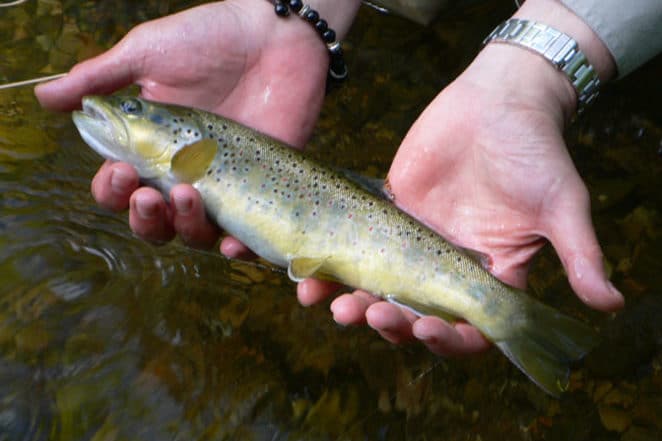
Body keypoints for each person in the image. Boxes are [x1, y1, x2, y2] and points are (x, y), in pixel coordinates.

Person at [36, 0, 661, 356]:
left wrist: (545, 72)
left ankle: (516, 322)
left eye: (138, 110)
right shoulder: (187, 160)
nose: (124, 110)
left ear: (186, 144)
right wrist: (301, 9)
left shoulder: (195, 153)